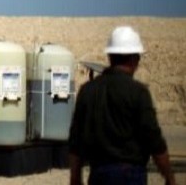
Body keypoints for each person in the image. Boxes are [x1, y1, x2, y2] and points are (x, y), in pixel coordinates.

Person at [68, 26, 176, 185]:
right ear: (134, 59)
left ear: (110, 57)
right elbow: (154, 140)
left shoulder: (87, 92)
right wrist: (169, 176)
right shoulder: (139, 93)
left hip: (99, 175)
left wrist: (75, 178)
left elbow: (76, 142)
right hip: (132, 175)